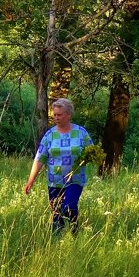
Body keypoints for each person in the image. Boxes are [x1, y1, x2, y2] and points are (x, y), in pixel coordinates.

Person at [23, 98, 94, 236]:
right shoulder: (50, 135)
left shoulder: (81, 133)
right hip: (54, 182)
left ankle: (75, 231)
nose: (56, 117)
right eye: (54, 114)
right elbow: (40, 158)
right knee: (56, 215)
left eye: (59, 114)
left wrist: (87, 159)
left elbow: (92, 152)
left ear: (68, 115)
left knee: (69, 206)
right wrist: (31, 180)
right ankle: (57, 244)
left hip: (75, 180)